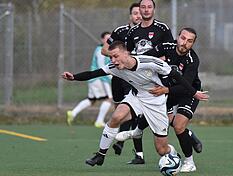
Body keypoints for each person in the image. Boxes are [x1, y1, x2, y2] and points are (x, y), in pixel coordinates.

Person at [61, 41, 208, 167]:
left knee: (161, 150)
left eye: (116, 56)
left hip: (155, 101)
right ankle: (100, 155)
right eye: (111, 57)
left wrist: (193, 93)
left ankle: (173, 155)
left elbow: (175, 75)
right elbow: (94, 73)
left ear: (126, 54)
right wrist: (74, 77)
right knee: (116, 117)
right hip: (136, 96)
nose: (113, 60)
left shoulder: (149, 62)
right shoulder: (115, 68)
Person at [116, 27, 203, 172]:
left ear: (193, 43)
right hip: (169, 90)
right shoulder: (166, 47)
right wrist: (127, 62)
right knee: (160, 115)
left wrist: (165, 90)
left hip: (189, 92)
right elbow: (145, 58)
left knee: (178, 125)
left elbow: (185, 86)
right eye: (182, 38)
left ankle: (189, 162)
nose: (184, 43)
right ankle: (137, 131)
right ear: (178, 37)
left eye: (189, 41)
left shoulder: (192, 60)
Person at [120, 0, 174, 163]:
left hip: (160, 80)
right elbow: (127, 55)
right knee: (138, 112)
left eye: (149, 6)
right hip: (140, 81)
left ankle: (189, 139)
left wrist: (153, 62)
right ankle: (139, 154)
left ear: (154, 9)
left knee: (171, 119)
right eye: (143, 7)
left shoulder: (162, 29)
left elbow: (170, 52)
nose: (146, 10)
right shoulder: (133, 31)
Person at [103, 2, 144, 159]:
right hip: (118, 77)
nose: (138, 16)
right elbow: (104, 50)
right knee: (119, 110)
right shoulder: (121, 31)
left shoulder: (147, 33)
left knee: (130, 110)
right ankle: (136, 153)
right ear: (130, 15)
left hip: (135, 78)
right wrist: (119, 56)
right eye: (135, 13)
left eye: (140, 13)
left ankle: (135, 151)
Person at [66, 32, 112, 128]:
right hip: (99, 79)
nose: (109, 40)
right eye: (107, 38)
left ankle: (73, 113)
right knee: (109, 99)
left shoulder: (104, 50)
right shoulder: (101, 51)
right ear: (102, 40)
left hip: (94, 80)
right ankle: (99, 121)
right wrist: (111, 77)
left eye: (110, 38)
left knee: (92, 100)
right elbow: (101, 68)